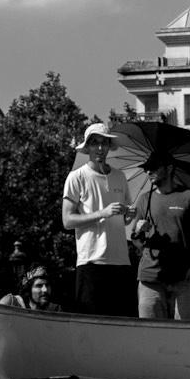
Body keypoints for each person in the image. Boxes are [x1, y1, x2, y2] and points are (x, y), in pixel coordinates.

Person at [61, 123, 134, 316]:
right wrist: (102, 213)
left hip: (120, 261)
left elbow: (123, 220)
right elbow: (67, 220)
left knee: (121, 326)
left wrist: (129, 216)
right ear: (88, 147)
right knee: (91, 326)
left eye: (104, 143)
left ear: (110, 146)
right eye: (95, 143)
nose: (100, 148)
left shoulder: (120, 176)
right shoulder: (76, 177)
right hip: (91, 261)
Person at [131, 158, 190, 320]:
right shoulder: (144, 199)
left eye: (154, 167)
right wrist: (138, 230)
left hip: (183, 279)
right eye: (146, 169)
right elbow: (136, 241)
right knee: (150, 335)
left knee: (184, 337)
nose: (148, 172)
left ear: (170, 168)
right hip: (150, 278)